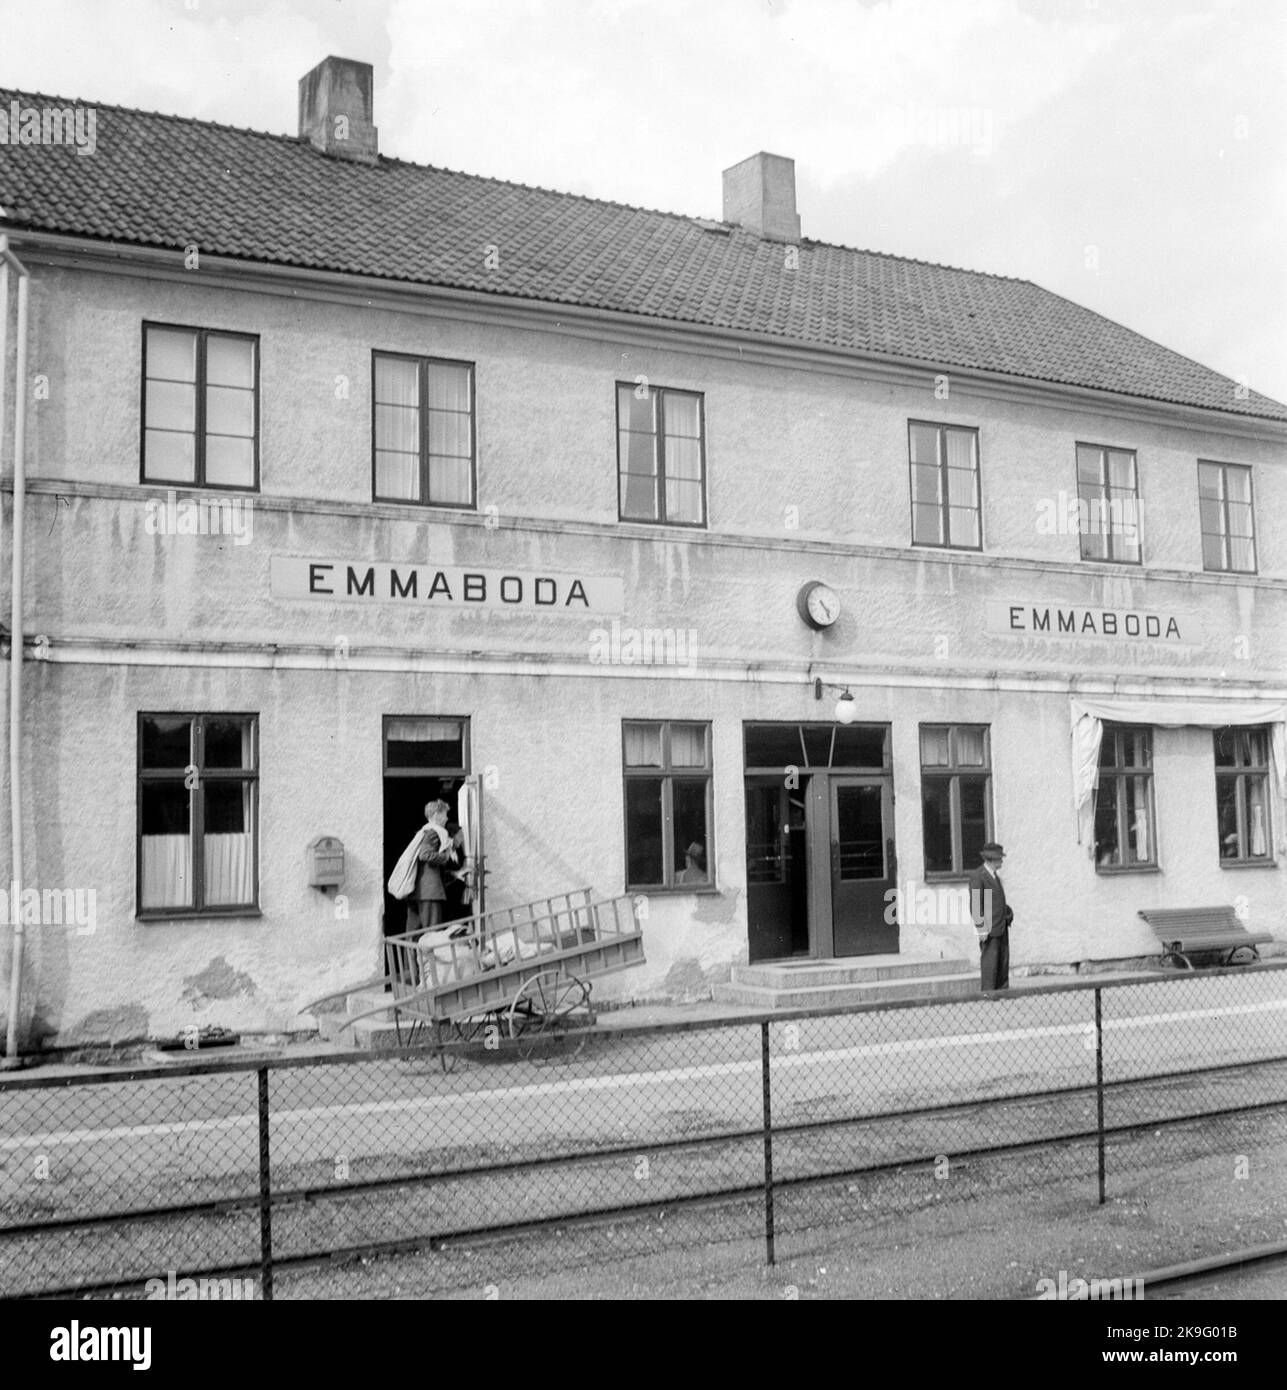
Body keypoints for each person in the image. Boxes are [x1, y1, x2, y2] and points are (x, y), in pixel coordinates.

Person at [968, 841, 1013, 992]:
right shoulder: (978, 876)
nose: (1001, 861)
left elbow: (995, 900)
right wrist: (981, 929)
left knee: (1002, 960)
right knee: (990, 962)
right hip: (988, 927)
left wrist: (1007, 911)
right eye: (1000, 858)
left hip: (1001, 925)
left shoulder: (995, 877)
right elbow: (975, 904)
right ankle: (988, 992)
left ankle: (1001, 991)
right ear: (992, 859)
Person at [409, 800, 457, 934]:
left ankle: (413, 956)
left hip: (417, 892)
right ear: (436, 815)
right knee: (433, 933)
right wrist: (446, 857)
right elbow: (425, 855)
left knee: (414, 934)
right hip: (430, 892)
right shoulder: (433, 832)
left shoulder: (423, 832)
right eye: (445, 814)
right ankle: (428, 956)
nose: (447, 818)